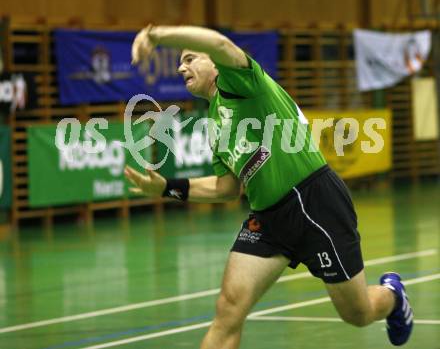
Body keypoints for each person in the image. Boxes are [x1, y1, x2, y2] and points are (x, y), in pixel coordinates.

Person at [124, 25, 413, 348]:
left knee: (357, 313)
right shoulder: (215, 123)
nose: (181, 67)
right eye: (180, 62)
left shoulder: (240, 84)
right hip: (268, 219)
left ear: (216, 65)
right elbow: (226, 188)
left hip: (314, 202)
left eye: (190, 58)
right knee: (228, 310)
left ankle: (393, 295)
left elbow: (220, 43)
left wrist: (158, 36)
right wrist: (167, 188)